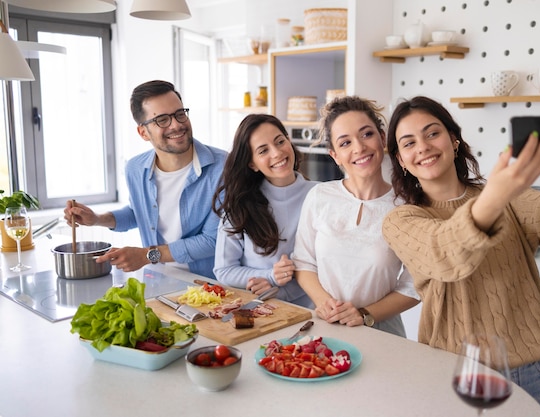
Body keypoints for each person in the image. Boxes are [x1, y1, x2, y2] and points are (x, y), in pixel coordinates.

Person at [382, 96, 540, 417]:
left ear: (454, 140)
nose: (423, 147)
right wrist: (496, 195)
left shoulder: (506, 196)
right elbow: (445, 254)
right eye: (409, 142)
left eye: (432, 133)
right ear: (401, 160)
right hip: (456, 375)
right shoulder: (401, 221)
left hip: (537, 374)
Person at [64, 80, 227, 278]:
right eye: (162, 120)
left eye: (179, 114)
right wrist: (97, 219)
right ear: (143, 132)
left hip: (208, 285)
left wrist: (147, 255)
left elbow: (214, 240)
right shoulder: (135, 168)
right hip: (158, 279)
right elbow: (139, 212)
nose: (176, 125)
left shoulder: (224, 167)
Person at [292, 96, 420, 337]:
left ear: (382, 139)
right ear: (334, 155)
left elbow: (415, 286)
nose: (359, 148)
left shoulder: (407, 207)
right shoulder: (319, 196)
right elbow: (303, 263)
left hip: (383, 335)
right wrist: (325, 303)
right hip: (323, 327)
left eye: (366, 135)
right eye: (345, 142)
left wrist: (364, 314)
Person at [212, 114, 316, 308]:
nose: (276, 153)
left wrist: (278, 287)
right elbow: (224, 270)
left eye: (280, 141)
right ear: (252, 164)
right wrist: (270, 276)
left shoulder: (320, 196)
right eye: (263, 151)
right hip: (262, 312)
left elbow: (329, 268)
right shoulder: (240, 205)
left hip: (314, 311)